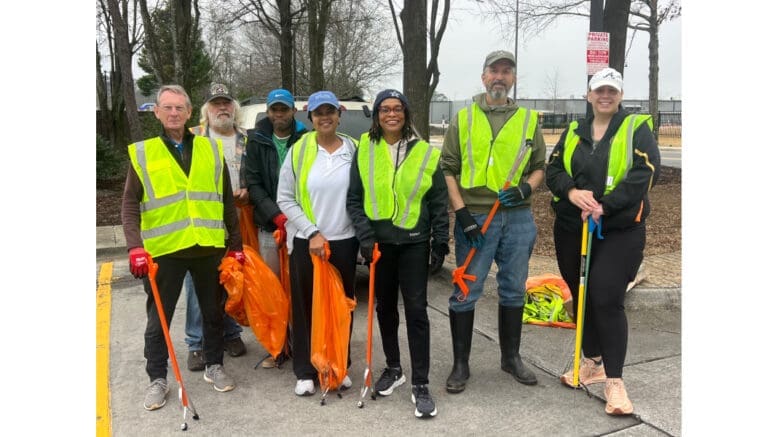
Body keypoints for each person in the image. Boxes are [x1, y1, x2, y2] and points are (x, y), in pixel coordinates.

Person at [545, 67, 660, 416]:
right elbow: (553, 170)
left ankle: (615, 380)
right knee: (580, 295)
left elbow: (645, 173)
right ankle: (591, 361)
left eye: (612, 90)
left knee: (606, 296)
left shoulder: (636, 128)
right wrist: (573, 192)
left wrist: (604, 206)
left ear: (621, 95)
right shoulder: (574, 130)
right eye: (599, 91)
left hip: (619, 228)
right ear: (589, 95)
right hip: (571, 226)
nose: (605, 96)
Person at [122, 84, 243, 411]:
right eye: (168, 108)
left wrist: (236, 247)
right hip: (165, 251)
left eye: (180, 108)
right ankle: (157, 378)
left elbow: (226, 205)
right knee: (158, 318)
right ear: (157, 112)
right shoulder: (144, 153)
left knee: (212, 312)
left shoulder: (210, 150)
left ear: (190, 112)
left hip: (208, 248)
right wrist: (135, 247)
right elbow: (130, 206)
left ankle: (214, 365)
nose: (174, 113)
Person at [439, 50, 546, 394]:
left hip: (517, 218)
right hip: (477, 217)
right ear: (483, 77)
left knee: (514, 287)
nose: (500, 76)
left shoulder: (530, 120)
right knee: (466, 289)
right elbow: (448, 168)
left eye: (506, 71)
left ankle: (510, 358)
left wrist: (526, 187)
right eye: (494, 71)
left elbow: (540, 166)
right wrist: (462, 213)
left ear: (513, 78)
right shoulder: (464, 118)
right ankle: (460, 364)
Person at [346, 89, 449, 419]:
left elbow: (437, 203)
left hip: (415, 243)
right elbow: (354, 199)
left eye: (397, 108)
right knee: (384, 308)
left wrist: (440, 242)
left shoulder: (424, 152)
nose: (392, 114)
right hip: (379, 244)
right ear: (377, 116)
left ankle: (420, 383)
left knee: (417, 312)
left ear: (406, 113)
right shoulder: (365, 149)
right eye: (385, 109)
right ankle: (393, 368)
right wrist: (364, 236)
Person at [276, 90, 359, 396]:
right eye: (318, 112)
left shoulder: (354, 148)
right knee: (306, 307)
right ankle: (306, 370)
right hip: (307, 244)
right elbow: (284, 198)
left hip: (345, 242)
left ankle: (339, 363)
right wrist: (311, 232)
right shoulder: (298, 151)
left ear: (339, 114)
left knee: (342, 307)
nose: (325, 117)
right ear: (310, 118)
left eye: (330, 111)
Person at [183, 83, 248, 372]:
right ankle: (196, 344)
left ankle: (231, 333)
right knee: (198, 288)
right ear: (205, 111)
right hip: (201, 226)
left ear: (234, 108)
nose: (222, 108)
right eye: (215, 104)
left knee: (232, 280)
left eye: (226, 103)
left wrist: (247, 189)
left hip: (238, 221)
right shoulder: (193, 139)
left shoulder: (247, 140)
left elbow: (256, 174)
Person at [245, 88, 308, 368]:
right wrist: (276, 216)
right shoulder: (257, 141)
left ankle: (303, 344)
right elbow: (254, 184)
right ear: (268, 112)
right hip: (270, 226)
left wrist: (295, 218)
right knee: (273, 288)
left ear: (293, 111)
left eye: (284, 109)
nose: (279, 114)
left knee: (299, 287)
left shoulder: (306, 138)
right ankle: (277, 346)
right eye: (275, 109)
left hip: (302, 226)